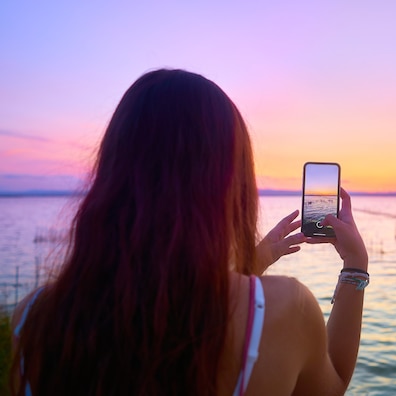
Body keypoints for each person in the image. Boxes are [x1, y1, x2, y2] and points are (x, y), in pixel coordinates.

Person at [11, 69, 369, 395]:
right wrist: (355, 266)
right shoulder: (286, 309)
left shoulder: (33, 317)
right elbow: (333, 381)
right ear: (233, 183)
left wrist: (252, 263)